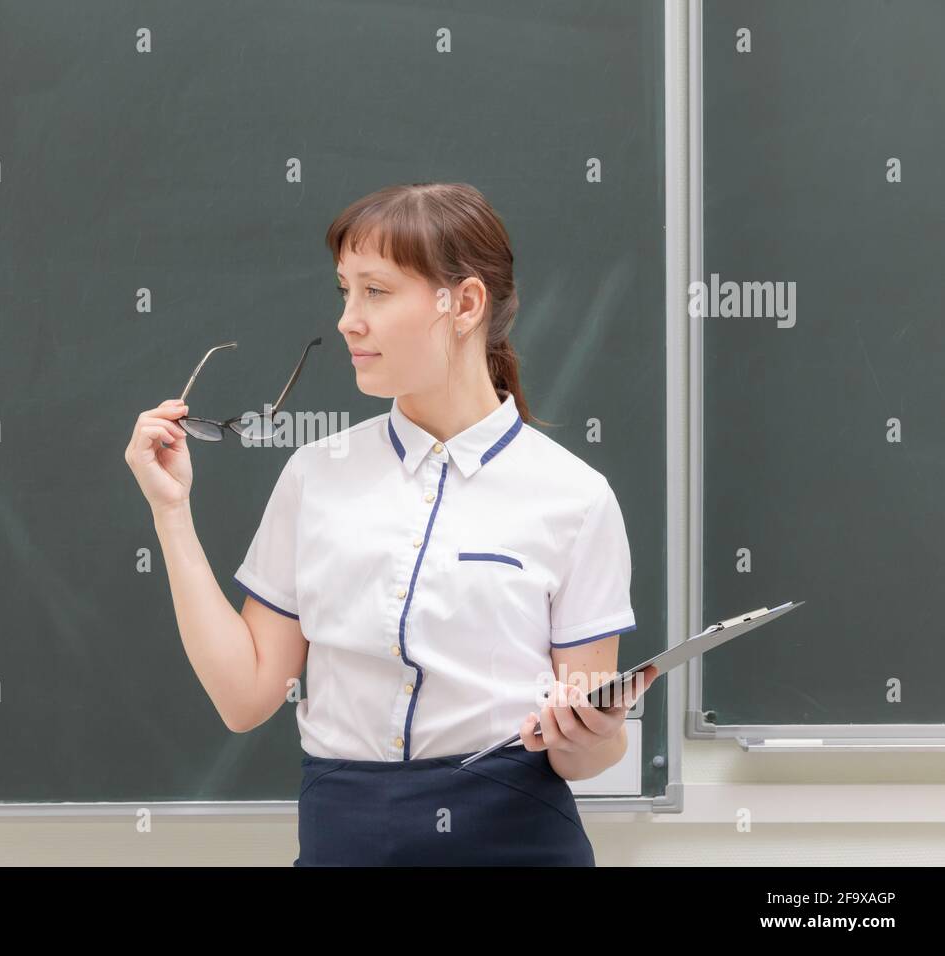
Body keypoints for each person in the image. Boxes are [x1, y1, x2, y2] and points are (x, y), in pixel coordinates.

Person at [125, 182, 657, 866]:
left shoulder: (575, 497)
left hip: (515, 840)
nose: (349, 320)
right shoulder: (315, 476)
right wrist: (171, 513)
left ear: (463, 304)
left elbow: (591, 753)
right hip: (343, 837)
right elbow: (245, 699)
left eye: (375, 292)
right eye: (345, 291)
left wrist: (589, 732)